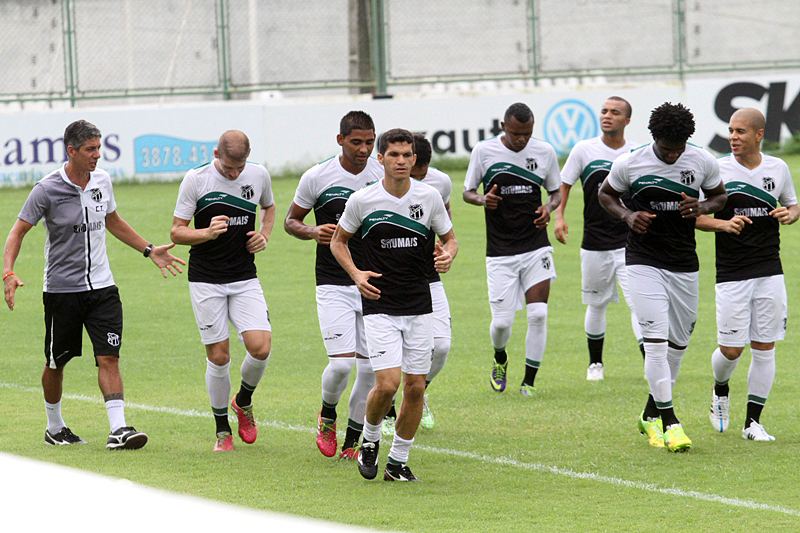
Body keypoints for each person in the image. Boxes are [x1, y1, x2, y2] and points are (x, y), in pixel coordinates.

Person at [2, 119, 185, 450]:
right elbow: (18, 231)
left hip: (103, 289)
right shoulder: (46, 189)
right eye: (90, 149)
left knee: (109, 357)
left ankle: (119, 429)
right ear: (71, 151)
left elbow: (112, 220)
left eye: (99, 148)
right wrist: (8, 272)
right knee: (57, 362)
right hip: (62, 291)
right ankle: (55, 427)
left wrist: (148, 250)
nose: (97, 155)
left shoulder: (103, 181)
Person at [598, 102, 727, 452]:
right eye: (667, 149)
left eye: (678, 149)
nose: (673, 155)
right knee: (655, 342)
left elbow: (719, 197)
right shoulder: (630, 162)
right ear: (654, 138)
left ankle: (649, 414)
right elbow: (606, 194)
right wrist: (627, 216)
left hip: (684, 263)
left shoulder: (702, 160)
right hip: (643, 261)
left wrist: (701, 207)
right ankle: (670, 422)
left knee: (677, 346)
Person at [331, 128, 457, 482]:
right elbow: (338, 242)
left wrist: (448, 255)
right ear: (380, 158)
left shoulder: (429, 197)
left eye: (406, 155)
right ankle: (370, 440)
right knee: (387, 385)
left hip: (420, 304)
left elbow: (449, 238)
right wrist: (356, 274)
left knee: (415, 387)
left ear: (414, 159)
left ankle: (398, 461)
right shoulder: (363, 200)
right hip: (380, 304)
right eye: (394, 155)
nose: (401, 161)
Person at [284, 110, 383, 460]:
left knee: (370, 369)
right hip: (332, 282)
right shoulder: (317, 177)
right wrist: (312, 231)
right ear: (340, 140)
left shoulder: (381, 175)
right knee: (341, 365)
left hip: (373, 282)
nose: (363, 149)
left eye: (369, 142)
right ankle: (327, 414)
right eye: (356, 142)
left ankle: (352, 442)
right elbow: (291, 221)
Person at [695, 108, 798, 441]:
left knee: (765, 346)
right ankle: (720, 388)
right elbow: (694, 215)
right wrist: (723, 224)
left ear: (758, 135)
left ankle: (753, 423)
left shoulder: (778, 168)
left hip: (770, 269)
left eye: (740, 131)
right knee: (731, 350)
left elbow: (793, 204)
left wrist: (790, 214)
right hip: (732, 272)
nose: (733, 137)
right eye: (730, 130)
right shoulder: (717, 169)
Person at [170, 130, 275, 452]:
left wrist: (264, 234)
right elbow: (176, 232)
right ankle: (222, 431)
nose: (234, 174)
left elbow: (269, 207)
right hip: (206, 279)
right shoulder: (196, 179)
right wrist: (206, 233)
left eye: (239, 168)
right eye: (229, 168)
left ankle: (242, 401)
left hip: (244, 276)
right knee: (219, 356)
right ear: (216, 154)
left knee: (261, 348)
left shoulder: (258, 174)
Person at [463, 102, 561, 396]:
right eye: (516, 133)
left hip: (535, 246)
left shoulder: (544, 152)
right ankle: (500, 357)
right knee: (502, 324)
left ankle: (529, 382)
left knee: (538, 314)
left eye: (527, 134)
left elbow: (555, 192)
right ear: (504, 127)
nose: (522, 139)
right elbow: (467, 192)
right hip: (500, 251)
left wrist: (548, 208)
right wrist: (483, 200)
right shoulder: (484, 151)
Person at [554, 97, 643, 381]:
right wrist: (559, 216)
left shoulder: (637, 152)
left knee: (638, 304)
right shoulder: (584, 149)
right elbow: (564, 184)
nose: (607, 116)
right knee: (596, 304)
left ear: (627, 121)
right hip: (594, 242)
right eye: (604, 111)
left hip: (630, 243)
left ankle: (650, 363)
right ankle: (595, 364)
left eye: (615, 112)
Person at [381, 134, 453, 434]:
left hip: (426, 277)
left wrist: (446, 252)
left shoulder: (440, 184)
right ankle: (387, 411)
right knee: (392, 355)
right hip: (388, 282)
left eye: (422, 174)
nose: (417, 180)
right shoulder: (379, 187)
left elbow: (446, 227)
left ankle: (417, 394)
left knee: (442, 345)